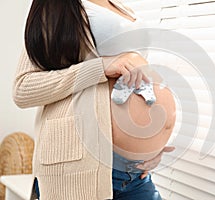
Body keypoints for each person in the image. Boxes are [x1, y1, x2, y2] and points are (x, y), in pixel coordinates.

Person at [13, 0, 176, 199]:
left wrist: (151, 147)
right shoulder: (57, 6)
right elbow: (23, 88)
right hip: (80, 168)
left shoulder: (121, 7)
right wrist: (100, 67)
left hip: (134, 172)